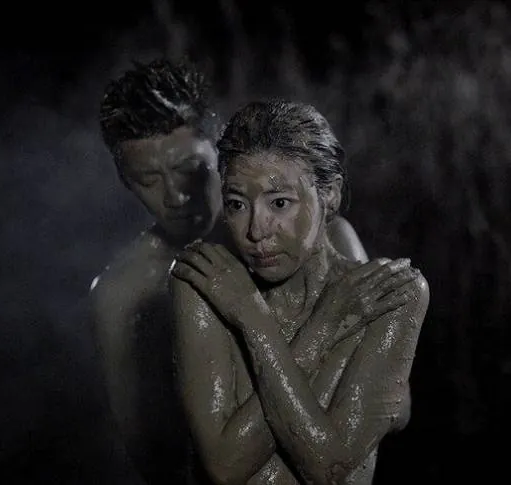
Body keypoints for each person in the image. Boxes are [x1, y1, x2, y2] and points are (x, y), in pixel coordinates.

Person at [90, 60, 368, 484]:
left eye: (189, 169)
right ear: (125, 180)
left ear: (219, 150)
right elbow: (147, 449)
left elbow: (385, 399)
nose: (176, 195)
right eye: (148, 179)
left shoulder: (324, 240)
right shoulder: (122, 292)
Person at [170, 99, 429, 484]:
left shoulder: (389, 295)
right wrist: (288, 320)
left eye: (279, 203)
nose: (256, 231)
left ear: (330, 194)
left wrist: (256, 318)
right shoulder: (206, 282)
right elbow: (225, 467)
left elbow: (328, 469)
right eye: (237, 204)